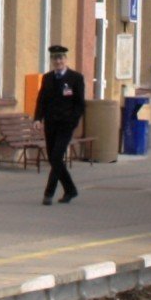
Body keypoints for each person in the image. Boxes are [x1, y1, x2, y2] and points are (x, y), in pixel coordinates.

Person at [32, 44, 86, 204]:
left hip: (66, 125)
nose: (58, 61)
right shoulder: (48, 78)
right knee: (53, 158)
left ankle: (48, 194)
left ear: (65, 59)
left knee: (56, 157)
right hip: (51, 124)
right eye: (55, 58)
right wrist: (37, 118)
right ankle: (70, 190)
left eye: (61, 58)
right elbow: (41, 100)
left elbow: (80, 104)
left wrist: (73, 121)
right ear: (52, 61)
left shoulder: (75, 78)